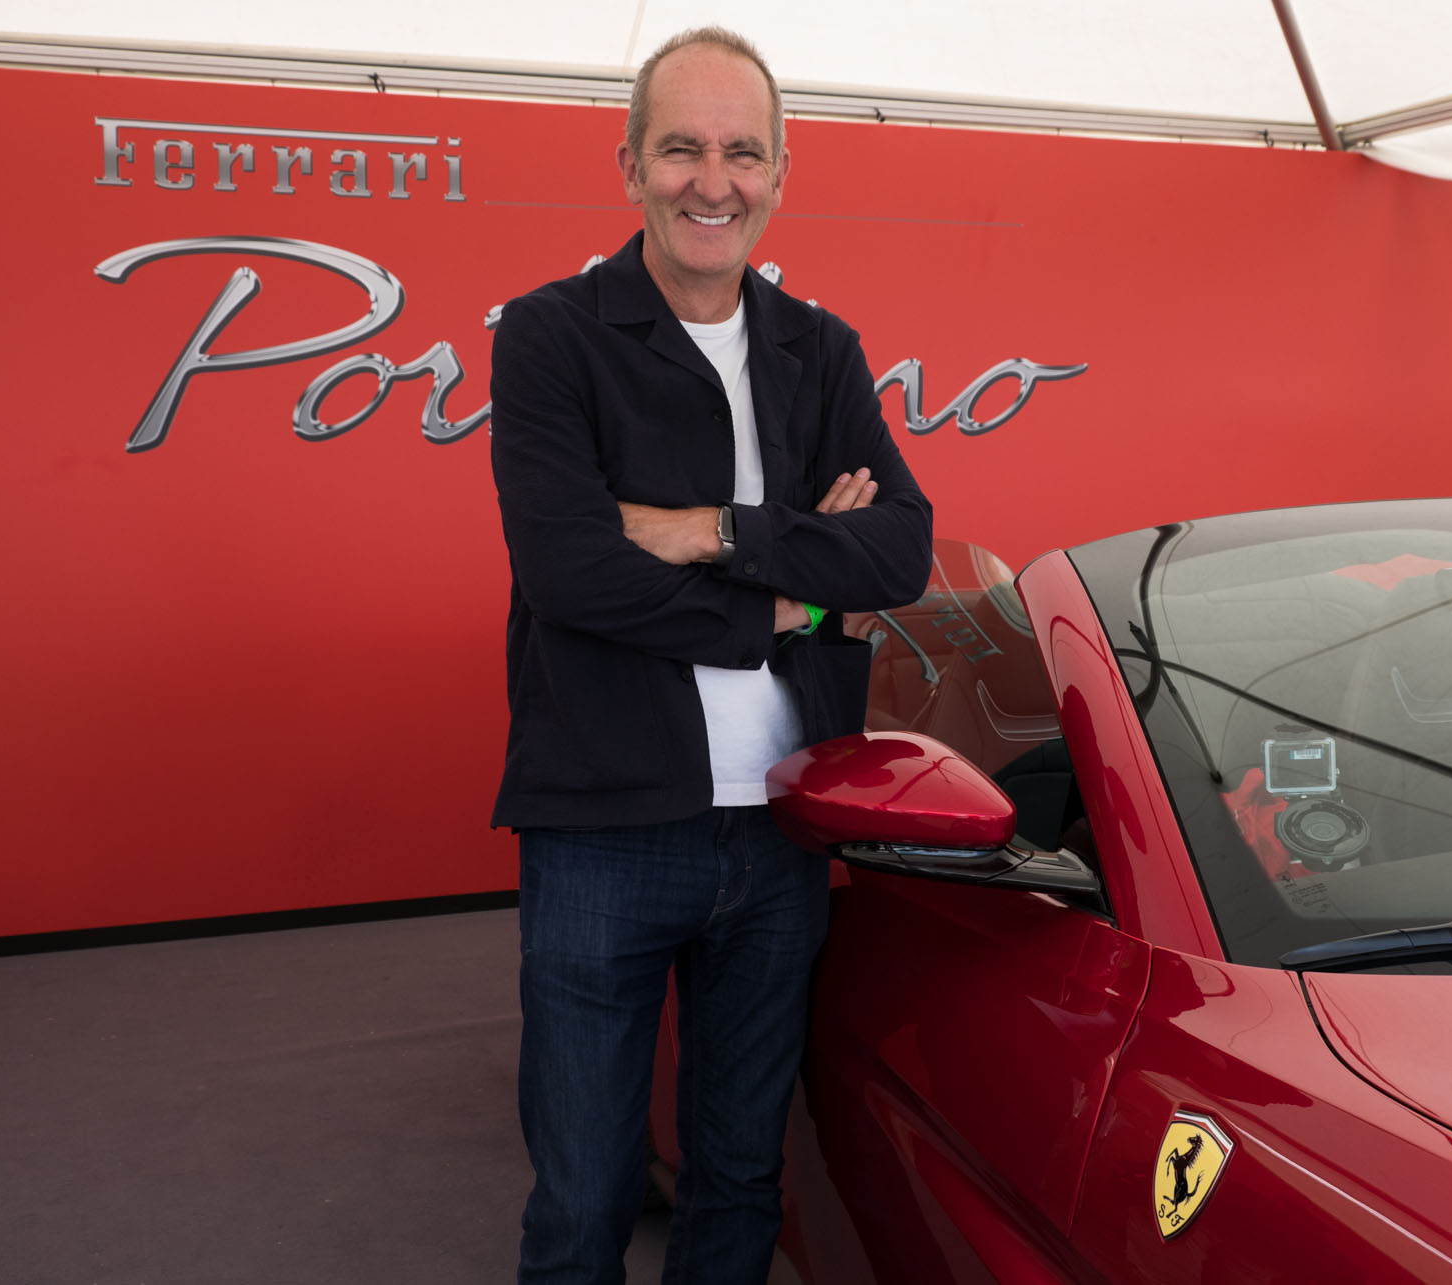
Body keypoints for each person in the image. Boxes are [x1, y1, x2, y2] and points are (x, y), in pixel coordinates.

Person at [487, 25, 934, 1285]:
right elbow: (571, 576)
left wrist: (710, 531)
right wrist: (794, 599)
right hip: (602, 832)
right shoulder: (550, 338)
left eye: (743, 152)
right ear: (629, 163)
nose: (711, 180)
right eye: (681, 147)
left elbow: (898, 553)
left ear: (781, 174)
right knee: (582, 1200)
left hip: (782, 832)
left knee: (742, 1183)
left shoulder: (820, 347)